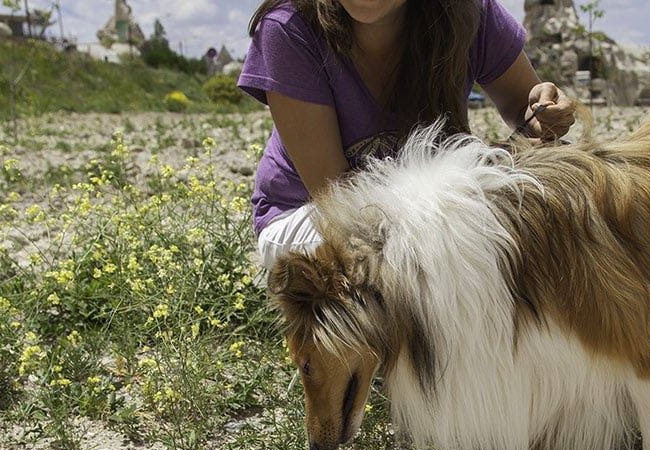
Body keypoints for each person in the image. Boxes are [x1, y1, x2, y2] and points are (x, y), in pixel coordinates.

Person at [239, 0, 575, 268]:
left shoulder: (469, 12)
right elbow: (334, 196)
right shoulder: (288, 26)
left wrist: (543, 116)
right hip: (308, 216)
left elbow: (525, 109)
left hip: (430, 207)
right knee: (432, 263)